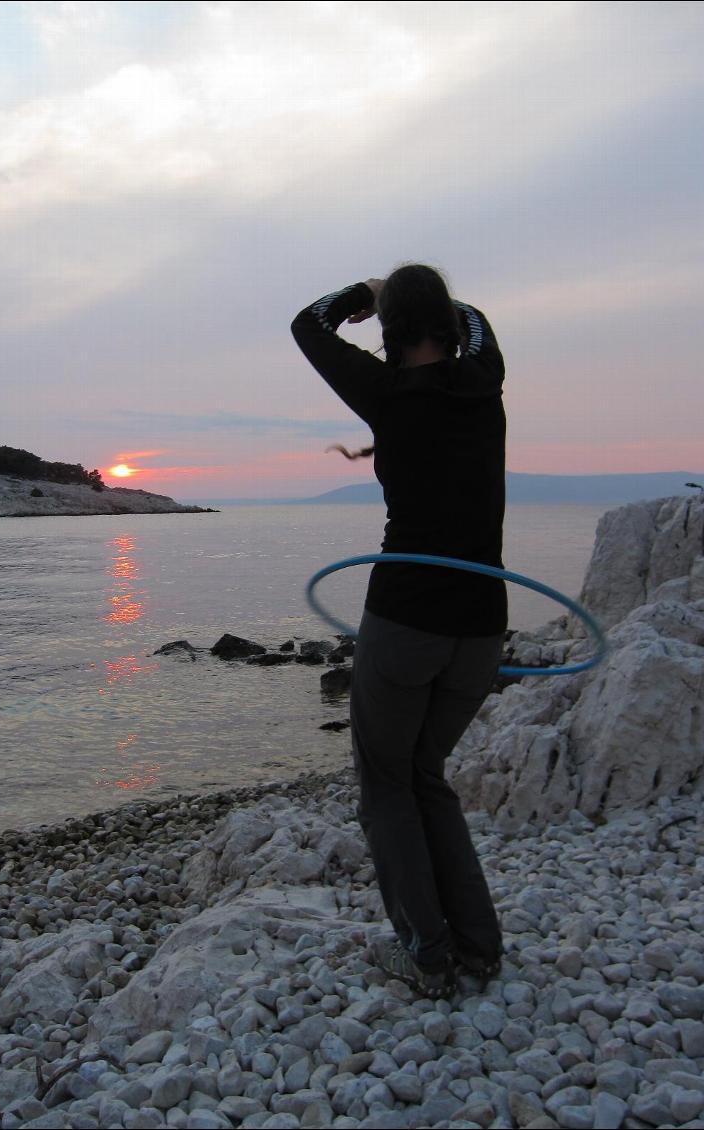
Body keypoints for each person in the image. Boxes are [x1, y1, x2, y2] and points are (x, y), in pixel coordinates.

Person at [291, 264, 506, 1000]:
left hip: (408, 615)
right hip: (481, 625)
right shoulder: (483, 377)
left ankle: (425, 953)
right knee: (425, 776)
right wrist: (419, 298)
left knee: (387, 782)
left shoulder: (386, 393)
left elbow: (306, 325)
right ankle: (476, 946)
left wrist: (364, 294)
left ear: (389, 329)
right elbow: (475, 321)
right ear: (447, 320)